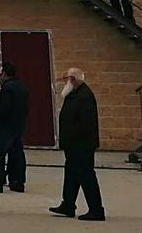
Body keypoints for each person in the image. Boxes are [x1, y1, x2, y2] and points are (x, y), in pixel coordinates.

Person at [50, 67, 105, 221]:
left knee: (86, 176)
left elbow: (85, 124)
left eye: (66, 79)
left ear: (73, 80)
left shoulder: (84, 96)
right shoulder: (74, 94)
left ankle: (96, 209)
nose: (65, 83)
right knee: (71, 175)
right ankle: (68, 204)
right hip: (73, 146)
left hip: (81, 145)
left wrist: (72, 139)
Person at [0, 62, 29, 193]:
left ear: (5, 74)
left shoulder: (7, 89)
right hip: (19, 125)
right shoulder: (21, 87)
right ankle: (18, 181)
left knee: (0, 154)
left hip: (6, 126)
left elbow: (4, 109)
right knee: (17, 153)